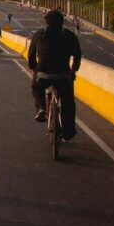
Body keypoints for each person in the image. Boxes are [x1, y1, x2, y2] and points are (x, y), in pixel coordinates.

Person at [27, 9, 82, 141]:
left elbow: (31, 57)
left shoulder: (39, 34)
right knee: (68, 103)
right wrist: (73, 71)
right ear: (62, 22)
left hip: (43, 75)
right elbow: (78, 56)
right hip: (63, 76)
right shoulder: (69, 35)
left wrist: (34, 69)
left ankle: (41, 108)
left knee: (36, 87)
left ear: (46, 21)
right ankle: (68, 132)